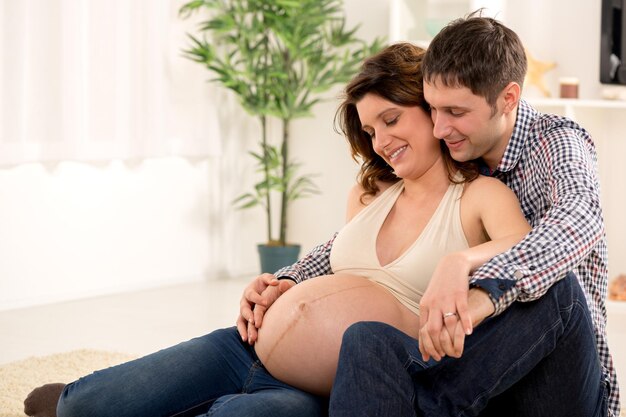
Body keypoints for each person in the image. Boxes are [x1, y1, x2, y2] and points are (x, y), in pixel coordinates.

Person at [23, 43, 531, 417]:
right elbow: (341, 276)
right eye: (371, 131)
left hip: (323, 391)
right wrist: (283, 285)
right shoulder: (370, 195)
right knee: (79, 407)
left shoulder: (479, 198)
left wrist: (458, 262)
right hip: (247, 348)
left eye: (391, 119)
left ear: (431, 109)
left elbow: (525, 255)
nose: (380, 142)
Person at [244, 12, 619, 417]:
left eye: (455, 112)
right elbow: (352, 240)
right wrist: (291, 279)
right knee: (366, 340)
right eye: (433, 110)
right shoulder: (459, 162)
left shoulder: (555, 142)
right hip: (481, 372)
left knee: (559, 287)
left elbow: (580, 220)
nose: (439, 128)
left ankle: (426, 405)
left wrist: (475, 283)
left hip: (556, 378)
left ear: (508, 99)